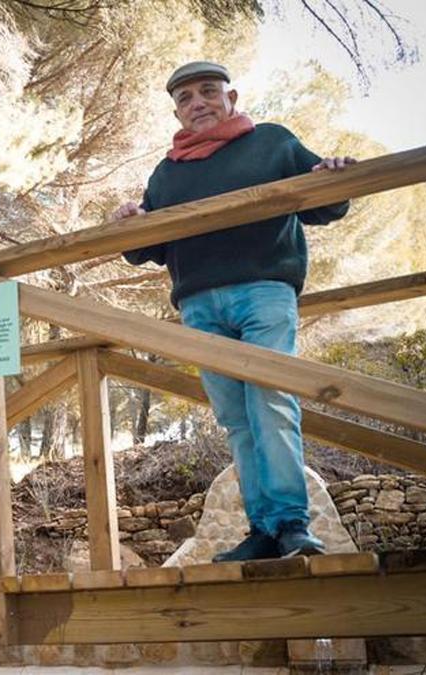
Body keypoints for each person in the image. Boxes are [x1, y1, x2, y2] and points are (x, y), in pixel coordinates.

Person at [114, 61, 356, 562]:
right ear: (177, 111)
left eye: (208, 92)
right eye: (185, 98)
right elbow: (148, 247)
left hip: (263, 291)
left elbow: (324, 205)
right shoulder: (168, 171)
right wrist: (132, 222)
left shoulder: (271, 142)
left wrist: (333, 176)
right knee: (236, 419)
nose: (197, 102)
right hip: (199, 305)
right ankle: (263, 530)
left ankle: (292, 525)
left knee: (270, 402)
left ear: (232, 96)